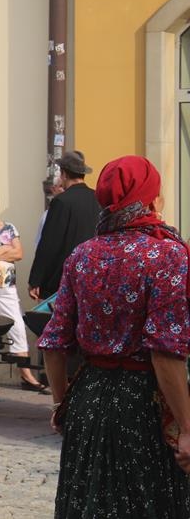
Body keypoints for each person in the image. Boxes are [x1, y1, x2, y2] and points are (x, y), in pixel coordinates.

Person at [39, 155, 190, 517]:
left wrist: (61, 406)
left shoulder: (82, 255)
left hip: (88, 401)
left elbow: (53, 344)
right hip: (145, 406)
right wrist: (187, 427)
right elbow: (164, 353)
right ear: (152, 199)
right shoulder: (168, 255)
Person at [0, 191, 47, 393]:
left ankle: (26, 374)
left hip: (8, 287)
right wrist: (6, 249)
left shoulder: (9, 228)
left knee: (17, 327)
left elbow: (19, 253)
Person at [28, 151, 100, 301]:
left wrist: (36, 279)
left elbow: (49, 243)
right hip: (92, 274)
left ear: (64, 174)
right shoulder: (98, 199)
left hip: (64, 278)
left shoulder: (61, 201)